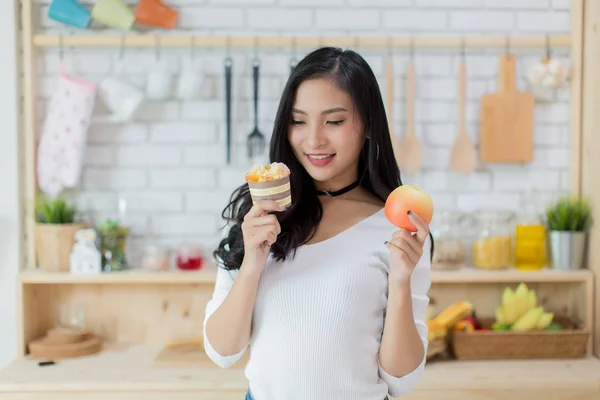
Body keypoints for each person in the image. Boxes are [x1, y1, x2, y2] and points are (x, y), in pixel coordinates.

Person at [203, 46, 434, 400]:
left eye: (334, 121)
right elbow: (222, 352)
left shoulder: (398, 227)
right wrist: (252, 263)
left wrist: (401, 282)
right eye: (298, 120)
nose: (313, 140)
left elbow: (401, 381)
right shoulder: (257, 216)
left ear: (369, 125)